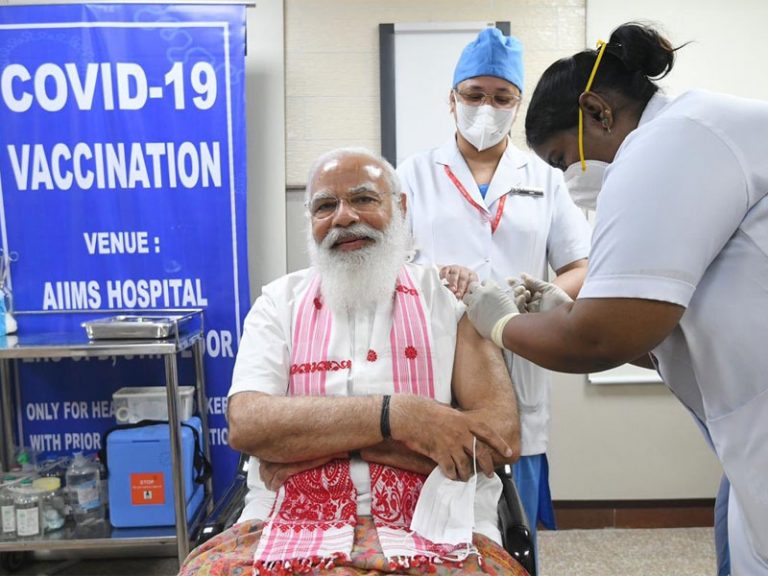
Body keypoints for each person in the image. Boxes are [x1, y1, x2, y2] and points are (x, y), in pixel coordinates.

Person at [462, 21, 768, 575]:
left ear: (597, 111)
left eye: (562, 159)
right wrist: (565, 314)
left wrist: (500, 322)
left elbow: (601, 337)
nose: (570, 178)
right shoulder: (691, 132)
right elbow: (661, 337)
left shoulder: (668, 144)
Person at [179, 148, 529, 576]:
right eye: (326, 205)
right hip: (289, 519)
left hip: (435, 520)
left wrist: (315, 443)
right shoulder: (278, 304)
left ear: (400, 207)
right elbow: (248, 424)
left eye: (363, 199)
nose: (344, 217)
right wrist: (401, 418)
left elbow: (498, 438)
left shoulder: (451, 299)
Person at [396, 26, 592, 552]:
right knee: (435, 514)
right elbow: (389, 267)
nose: (487, 107)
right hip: (436, 352)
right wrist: (433, 282)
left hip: (519, 351)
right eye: (474, 94)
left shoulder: (545, 178)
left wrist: (535, 293)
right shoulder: (413, 175)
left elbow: (581, 262)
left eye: (501, 97)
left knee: (513, 519)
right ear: (452, 99)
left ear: (517, 104)